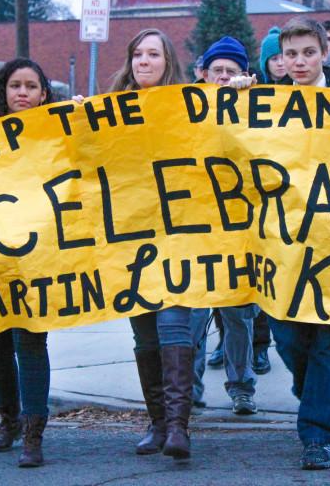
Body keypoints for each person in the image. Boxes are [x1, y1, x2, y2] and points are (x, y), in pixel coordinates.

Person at [239, 17, 330, 469]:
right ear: (280, 60)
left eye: (309, 52)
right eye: (291, 55)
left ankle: (318, 435)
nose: (300, 61)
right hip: (282, 248)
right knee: (290, 338)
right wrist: (232, 103)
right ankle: (313, 397)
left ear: (325, 53)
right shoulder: (260, 106)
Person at [111, 28, 196, 460]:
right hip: (129, 237)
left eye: (153, 54)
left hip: (179, 236)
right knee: (145, 333)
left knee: (174, 326)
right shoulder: (107, 111)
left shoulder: (189, 107)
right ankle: (158, 423)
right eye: (137, 54)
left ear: (168, 62)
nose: (144, 61)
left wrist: (239, 92)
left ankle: (180, 426)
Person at [0, 58, 55, 468]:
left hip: (38, 255)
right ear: (3, 92)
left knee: (30, 343)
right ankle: (7, 419)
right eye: (15, 86)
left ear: (44, 93)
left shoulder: (59, 134)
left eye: (30, 86)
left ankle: (33, 432)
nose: (22, 92)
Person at [191, 35, 261, 416]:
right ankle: (191, 389)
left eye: (230, 71)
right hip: (197, 229)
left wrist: (248, 97)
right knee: (195, 315)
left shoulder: (257, 108)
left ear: (243, 75)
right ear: (203, 75)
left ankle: (242, 387)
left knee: (238, 317)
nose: (222, 77)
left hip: (239, 230)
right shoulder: (185, 109)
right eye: (216, 70)